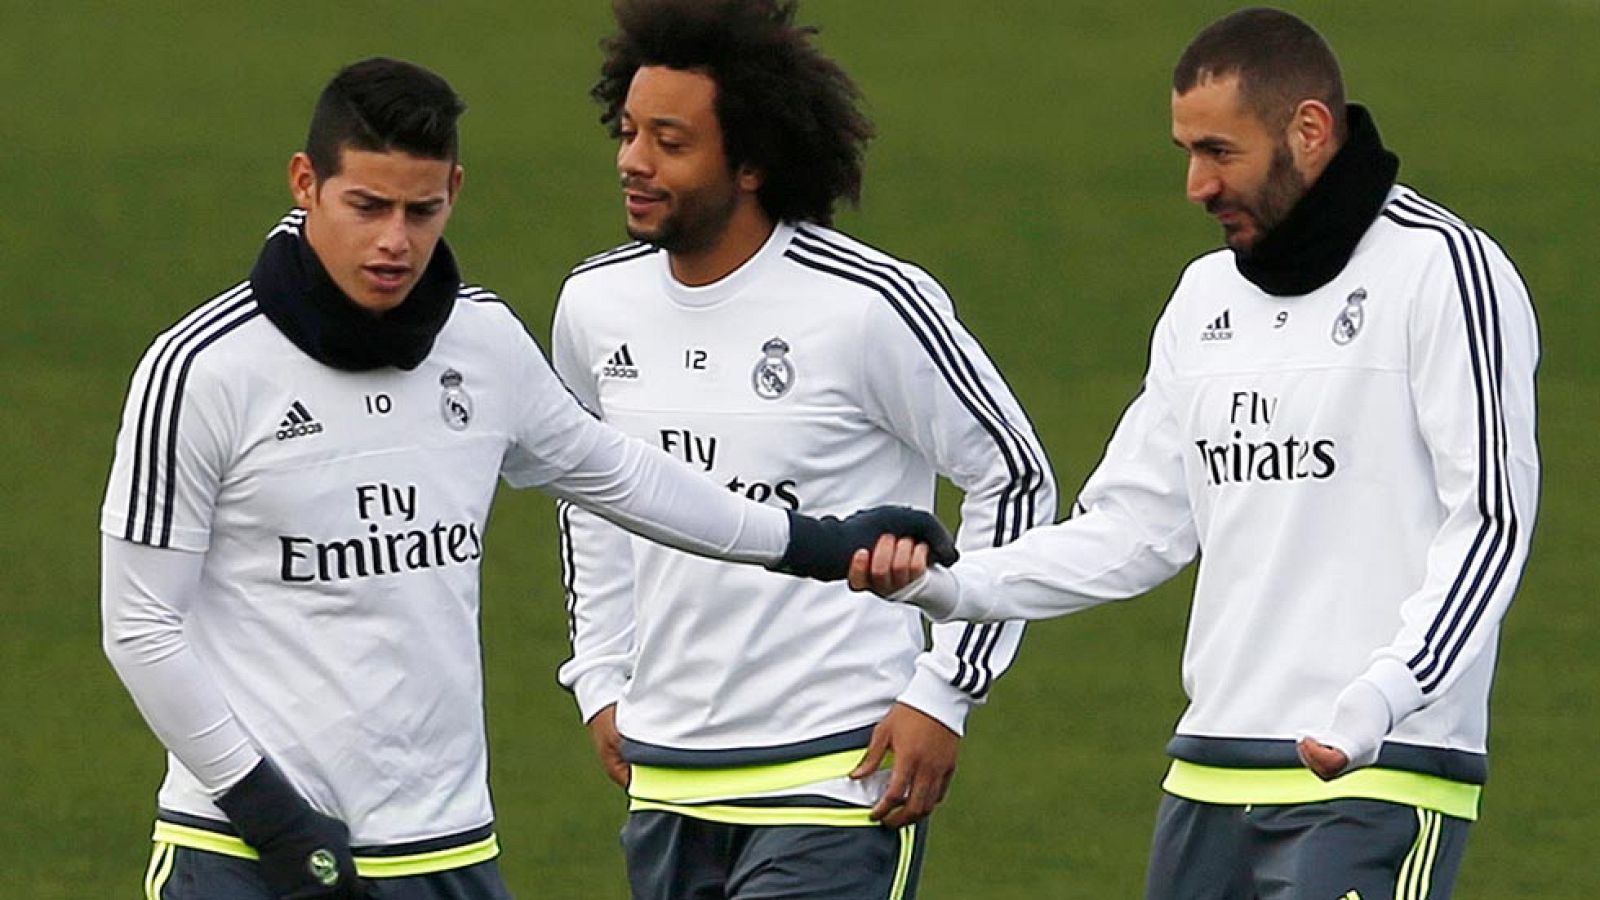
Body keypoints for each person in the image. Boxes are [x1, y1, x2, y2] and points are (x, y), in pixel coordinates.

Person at [99, 57, 954, 900]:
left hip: (445, 848)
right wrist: (276, 823)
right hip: (246, 853)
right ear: (304, 183)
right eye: (367, 206)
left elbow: (622, 477)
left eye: (420, 210)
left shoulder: (482, 345)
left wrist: (819, 544)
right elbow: (139, 626)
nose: (395, 240)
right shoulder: (202, 370)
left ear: (455, 193)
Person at [850, 8, 1539, 899]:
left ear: (1310, 131)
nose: (1195, 185)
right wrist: (956, 585)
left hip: (1377, 773)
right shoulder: (1205, 295)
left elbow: (1490, 523)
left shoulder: (1444, 271)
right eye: (1187, 150)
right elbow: (1134, 527)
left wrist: (1387, 694)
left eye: (1220, 151)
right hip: (1210, 775)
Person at [552, 1, 1056, 897]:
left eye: (671, 142)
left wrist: (948, 687)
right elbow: (590, 496)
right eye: (628, 132)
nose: (633, 161)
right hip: (668, 775)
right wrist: (599, 674)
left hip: (835, 772)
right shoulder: (593, 307)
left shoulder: (868, 305)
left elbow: (1013, 477)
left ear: (750, 163)